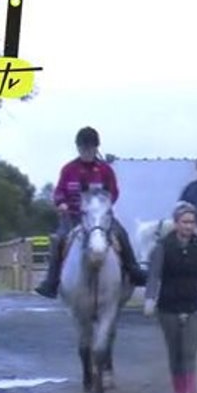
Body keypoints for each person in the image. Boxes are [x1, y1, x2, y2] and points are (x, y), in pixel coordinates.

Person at [34, 126, 147, 298]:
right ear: (78, 148)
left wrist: (105, 205)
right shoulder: (68, 169)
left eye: (90, 148)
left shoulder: (105, 170)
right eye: (83, 148)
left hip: (99, 217)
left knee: (122, 234)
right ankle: (51, 281)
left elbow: (114, 191)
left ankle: (133, 271)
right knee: (58, 239)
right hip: (73, 216)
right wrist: (61, 203)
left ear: (96, 148)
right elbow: (59, 191)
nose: (86, 151)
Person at [143, 202, 197, 393]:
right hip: (168, 306)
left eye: (192, 222)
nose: (188, 226)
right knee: (175, 352)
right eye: (184, 222)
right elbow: (154, 275)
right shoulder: (162, 247)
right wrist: (150, 299)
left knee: (191, 350)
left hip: (194, 304)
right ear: (176, 223)